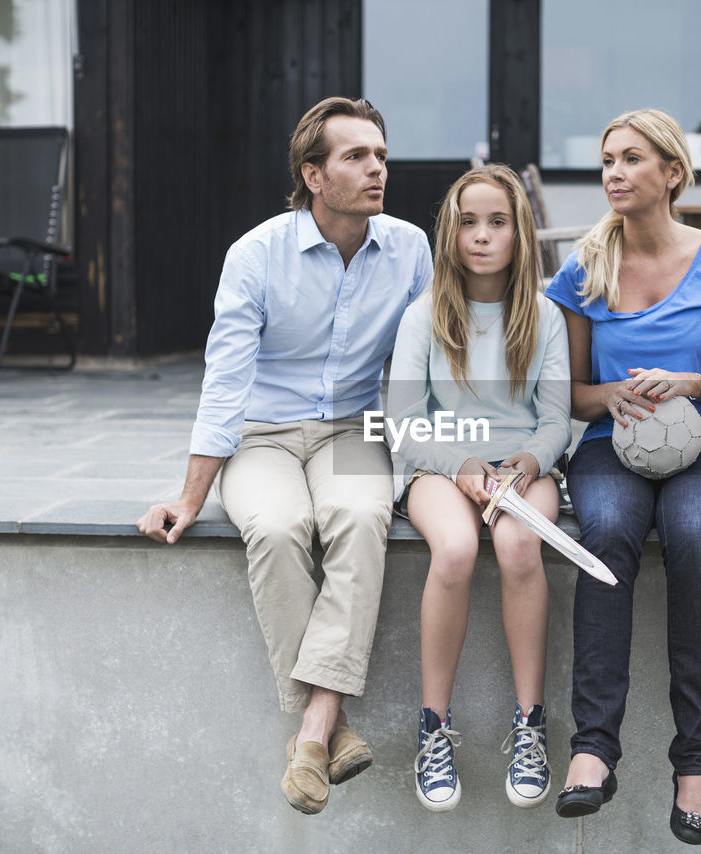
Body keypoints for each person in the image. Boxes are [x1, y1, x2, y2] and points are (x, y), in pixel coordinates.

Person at [135, 97, 433, 816]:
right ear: (314, 173)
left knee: (359, 518)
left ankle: (310, 730)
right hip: (262, 433)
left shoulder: (409, 247)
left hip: (355, 431)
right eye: (355, 157)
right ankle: (332, 725)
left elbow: (426, 362)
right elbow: (226, 379)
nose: (376, 170)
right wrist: (189, 495)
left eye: (381, 156)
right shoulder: (257, 253)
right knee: (275, 527)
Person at [544, 108, 701, 846]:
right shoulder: (583, 269)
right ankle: (592, 751)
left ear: (672, 173)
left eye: (632, 159)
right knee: (604, 534)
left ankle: (695, 760)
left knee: (697, 536)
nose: (613, 172)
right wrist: (613, 396)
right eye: (607, 159)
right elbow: (567, 393)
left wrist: (694, 386)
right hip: (612, 444)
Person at [386, 165, 571, 812]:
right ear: (450, 232)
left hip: (521, 468)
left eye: (498, 223)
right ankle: (433, 726)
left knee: (520, 545)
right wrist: (461, 462)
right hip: (441, 466)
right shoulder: (424, 316)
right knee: (458, 550)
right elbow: (403, 425)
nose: (483, 236)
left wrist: (526, 460)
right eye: (469, 222)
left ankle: (530, 725)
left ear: (520, 233)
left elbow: (555, 421)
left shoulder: (544, 317)